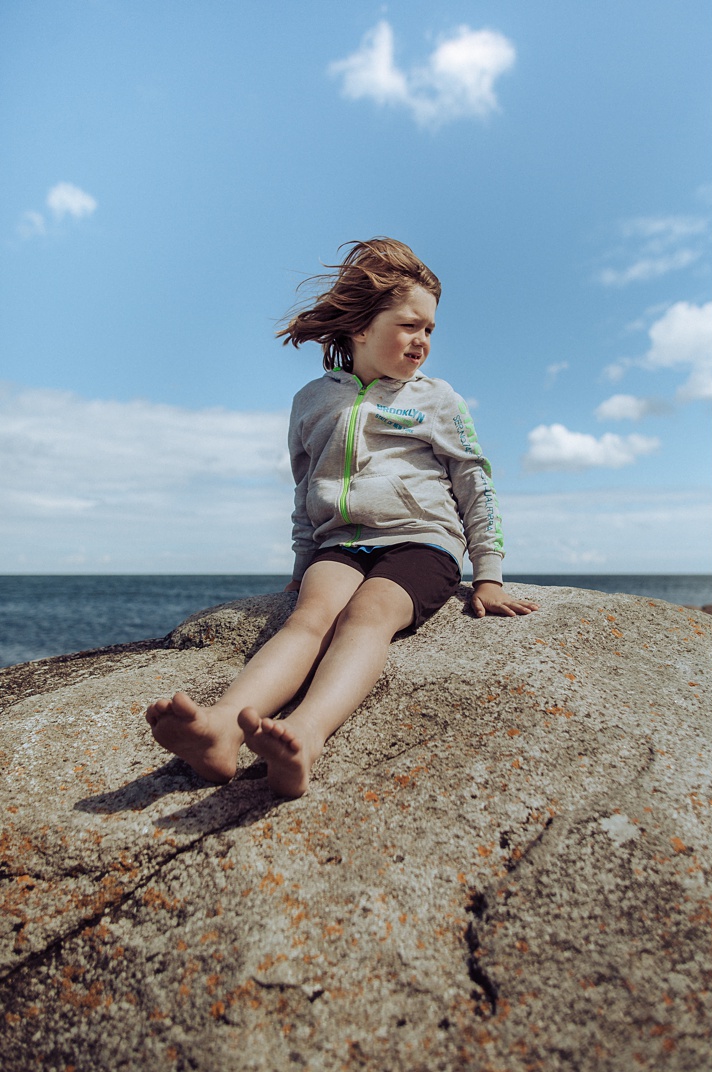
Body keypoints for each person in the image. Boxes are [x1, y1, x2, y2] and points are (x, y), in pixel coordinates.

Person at [146, 238, 537, 798]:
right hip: (340, 545)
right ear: (359, 326)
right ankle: (223, 728)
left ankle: (306, 735)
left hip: (421, 543)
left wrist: (490, 574)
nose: (422, 340)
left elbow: (475, 481)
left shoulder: (437, 399)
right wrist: (303, 562)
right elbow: (306, 491)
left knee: (368, 615)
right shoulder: (312, 400)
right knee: (309, 617)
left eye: (429, 329)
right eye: (409, 325)